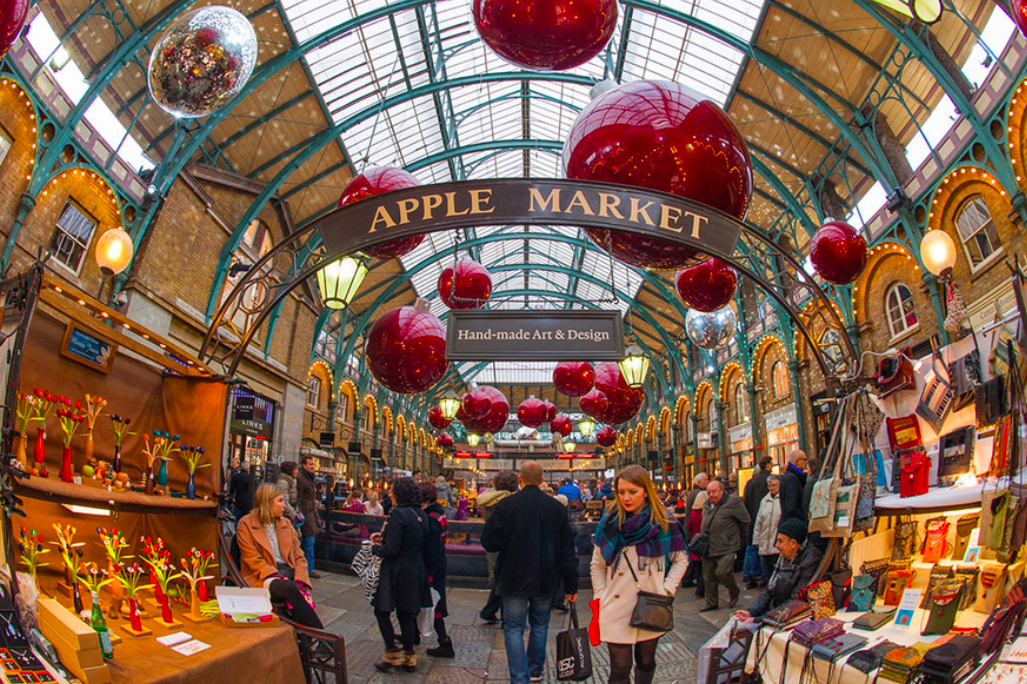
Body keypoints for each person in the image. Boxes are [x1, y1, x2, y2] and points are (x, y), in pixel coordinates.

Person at [482, 462, 579, 684]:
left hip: (512, 576)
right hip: (546, 577)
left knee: (514, 628)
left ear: (521, 480)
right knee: (540, 625)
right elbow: (567, 550)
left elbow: (489, 542)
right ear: (542, 479)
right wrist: (571, 585)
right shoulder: (556, 508)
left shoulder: (506, 505)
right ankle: (535, 671)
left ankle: (519, 677)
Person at [591, 466, 688, 684]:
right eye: (621, 492)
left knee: (646, 661)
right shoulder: (609, 522)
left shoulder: (664, 522)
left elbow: (681, 559)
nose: (626, 498)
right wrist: (600, 594)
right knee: (619, 668)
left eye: (632, 492)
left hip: (650, 603)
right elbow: (597, 564)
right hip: (615, 606)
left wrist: (666, 590)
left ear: (646, 491)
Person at [236, 484, 323, 628]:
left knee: (296, 591)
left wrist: (301, 579)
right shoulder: (246, 524)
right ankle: (322, 635)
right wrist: (276, 575)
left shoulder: (286, 524)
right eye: (280, 501)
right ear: (268, 502)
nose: (284, 506)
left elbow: (299, 556)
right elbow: (253, 559)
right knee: (288, 587)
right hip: (263, 576)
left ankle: (309, 639)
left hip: (289, 572)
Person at [371, 477, 432, 673]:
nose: (390, 493)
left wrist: (375, 548)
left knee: (381, 610)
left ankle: (391, 653)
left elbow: (392, 549)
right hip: (415, 568)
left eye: (393, 490)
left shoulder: (398, 514)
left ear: (399, 493)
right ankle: (409, 657)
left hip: (397, 570)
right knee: (406, 614)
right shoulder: (420, 514)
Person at [734, 518, 824, 622]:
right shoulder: (785, 555)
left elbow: (796, 601)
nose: (776, 545)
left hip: (790, 617)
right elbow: (769, 590)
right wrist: (752, 612)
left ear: (793, 543)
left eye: (780, 541)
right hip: (774, 612)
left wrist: (759, 620)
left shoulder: (811, 559)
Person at [700, 480, 750, 612]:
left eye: (714, 491)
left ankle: (734, 591)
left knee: (722, 572)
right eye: (709, 492)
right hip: (709, 546)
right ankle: (711, 602)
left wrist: (734, 536)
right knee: (708, 576)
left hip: (727, 545)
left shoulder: (733, 502)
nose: (711, 495)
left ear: (721, 491)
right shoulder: (706, 505)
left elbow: (745, 521)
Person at [477, 470, 519, 624]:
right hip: (507, 544)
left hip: (492, 543)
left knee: (498, 577)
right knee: (503, 579)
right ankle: (505, 618)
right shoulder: (508, 501)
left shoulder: (488, 498)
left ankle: (489, 611)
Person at [419, 482, 453, 659]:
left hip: (432, 568)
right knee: (427, 603)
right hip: (439, 563)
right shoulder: (439, 514)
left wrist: (428, 572)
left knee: (434, 605)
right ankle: (412, 635)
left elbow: (431, 549)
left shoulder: (430, 518)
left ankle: (445, 643)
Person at [742, 456, 773, 589]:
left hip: (752, 518)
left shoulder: (751, 483)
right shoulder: (771, 481)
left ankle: (750, 576)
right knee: (765, 549)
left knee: (753, 548)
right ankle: (764, 578)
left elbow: (746, 501)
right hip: (767, 518)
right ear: (767, 465)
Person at [752, 476, 781, 583]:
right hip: (765, 541)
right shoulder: (764, 500)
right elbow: (758, 521)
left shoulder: (782, 499)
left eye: (774, 485)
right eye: (770, 485)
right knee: (768, 569)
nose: (772, 488)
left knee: (777, 570)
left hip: (777, 542)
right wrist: (756, 539)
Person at [297, 455, 322, 579]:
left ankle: (308, 567)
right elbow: (299, 498)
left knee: (309, 540)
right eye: (310, 464)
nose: (313, 467)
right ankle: (308, 568)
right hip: (305, 514)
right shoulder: (301, 478)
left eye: (313, 464)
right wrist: (299, 514)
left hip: (310, 512)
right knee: (308, 541)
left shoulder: (310, 478)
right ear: (304, 465)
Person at [683, 488, 707, 596]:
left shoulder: (693, 513)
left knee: (697, 568)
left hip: (695, 541)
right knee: (704, 569)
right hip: (703, 543)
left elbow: (689, 527)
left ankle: (698, 587)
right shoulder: (705, 513)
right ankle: (702, 589)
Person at [779, 450, 808, 524]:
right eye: (804, 459)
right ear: (797, 461)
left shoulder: (789, 476)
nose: (806, 462)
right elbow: (791, 506)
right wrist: (803, 518)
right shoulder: (792, 478)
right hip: (793, 526)